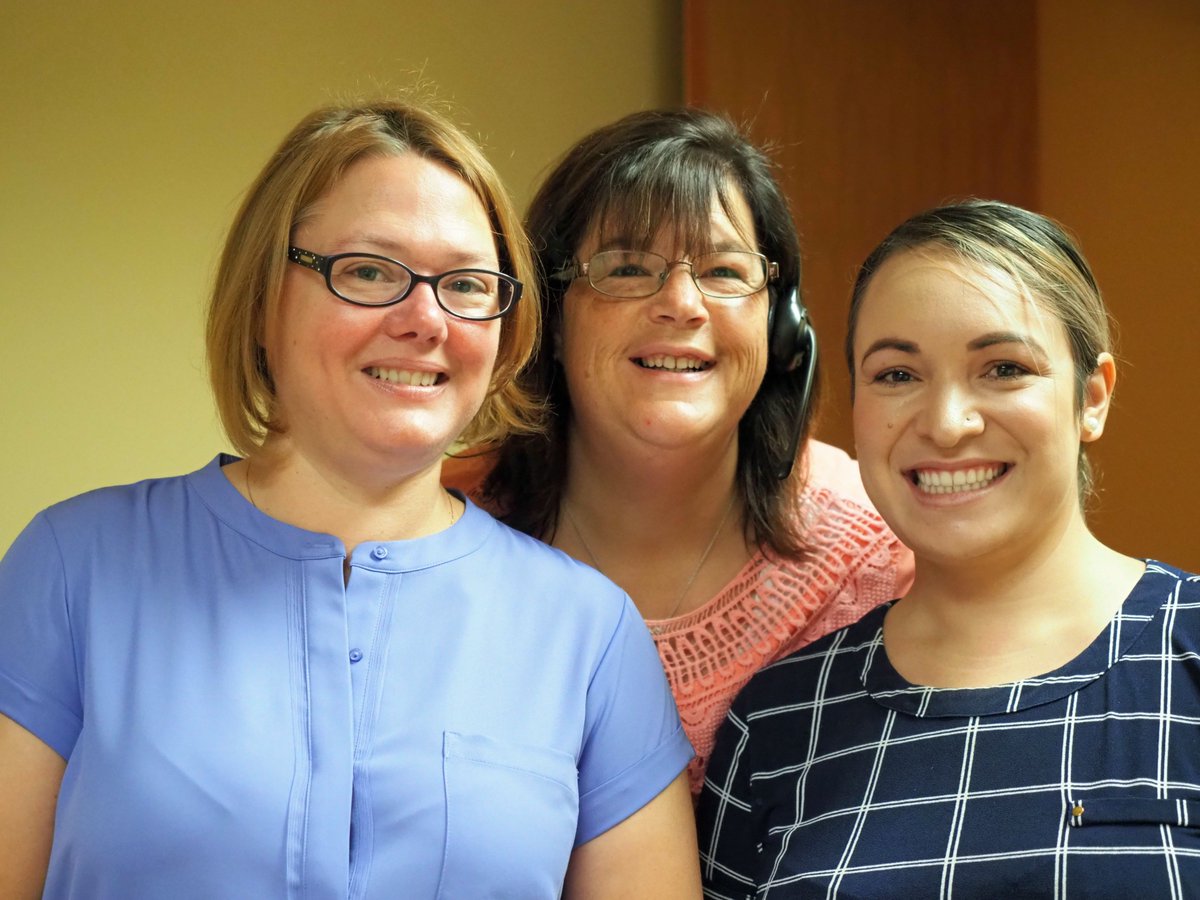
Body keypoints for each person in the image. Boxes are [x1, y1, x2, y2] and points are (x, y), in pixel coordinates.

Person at [0, 100, 701, 899]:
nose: (425, 319)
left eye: (467, 284)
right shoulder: (72, 568)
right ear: (265, 300)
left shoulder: (590, 635)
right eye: (370, 271)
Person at [698, 199, 1200, 896]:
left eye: (1003, 368)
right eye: (897, 375)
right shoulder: (779, 723)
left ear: (1092, 397)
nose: (946, 423)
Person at [445, 108, 914, 793]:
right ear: (548, 312)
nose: (681, 304)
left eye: (725, 271)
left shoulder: (876, 552)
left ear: (781, 328)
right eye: (628, 267)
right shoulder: (437, 531)